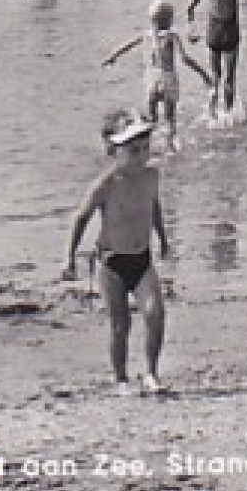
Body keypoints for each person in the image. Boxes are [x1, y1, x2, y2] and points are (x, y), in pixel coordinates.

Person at [61, 111, 172, 395]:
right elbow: (81, 217)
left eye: (145, 149)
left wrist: (163, 238)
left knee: (155, 311)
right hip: (112, 262)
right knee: (120, 324)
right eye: (133, 151)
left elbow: (154, 206)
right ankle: (121, 378)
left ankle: (151, 372)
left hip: (142, 257)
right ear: (113, 151)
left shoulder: (151, 176)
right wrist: (69, 258)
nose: (141, 156)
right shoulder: (107, 184)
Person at [103, 0, 212, 152]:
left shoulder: (145, 36)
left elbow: (126, 46)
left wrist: (112, 56)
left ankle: (149, 148)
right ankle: (171, 148)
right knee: (170, 119)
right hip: (168, 79)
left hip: (151, 80)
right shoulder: (171, 36)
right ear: (169, 20)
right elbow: (185, 59)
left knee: (152, 118)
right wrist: (203, 74)